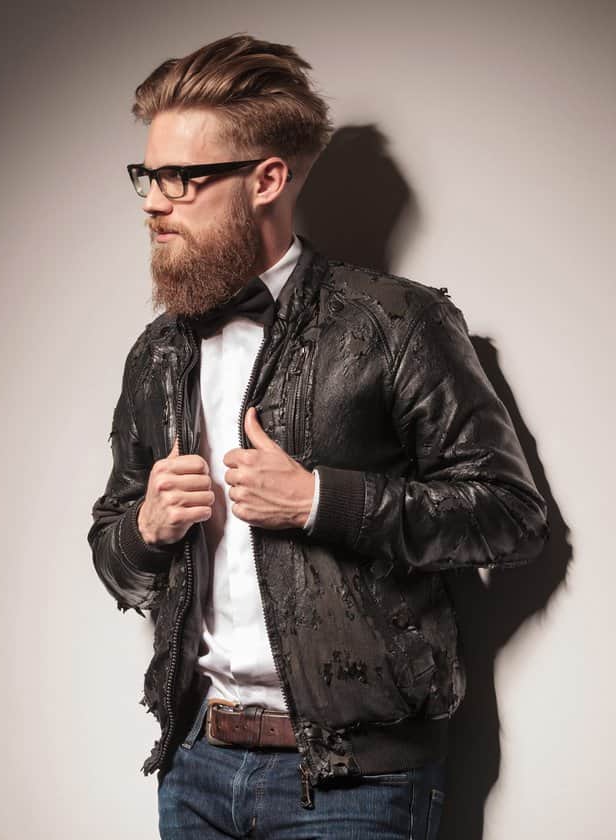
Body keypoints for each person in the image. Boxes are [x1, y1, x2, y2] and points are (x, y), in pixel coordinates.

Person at [87, 34, 549, 839]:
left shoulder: (397, 323)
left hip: (356, 782)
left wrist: (321, 500)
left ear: (267, 179)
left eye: (183, 178)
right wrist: (146, 528)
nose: (154, 202)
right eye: (148, 175)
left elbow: (509, 515)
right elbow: (112, 548)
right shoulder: (159, 352)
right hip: (194, 764)